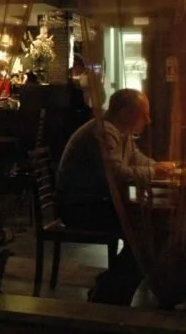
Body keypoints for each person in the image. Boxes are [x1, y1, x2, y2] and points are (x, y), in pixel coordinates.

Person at [56, 89, 171, 305]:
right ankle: (110, 295)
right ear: (126, 112)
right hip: (80, 208)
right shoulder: (105, 132)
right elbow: (117, 174)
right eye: (143, 114)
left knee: (148, 232)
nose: (148, 120)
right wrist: (156, 172)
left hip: (93, 204)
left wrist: (161, 167)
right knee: (146, 235)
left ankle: (109, 286)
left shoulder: (119, 132)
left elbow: (137, 160)